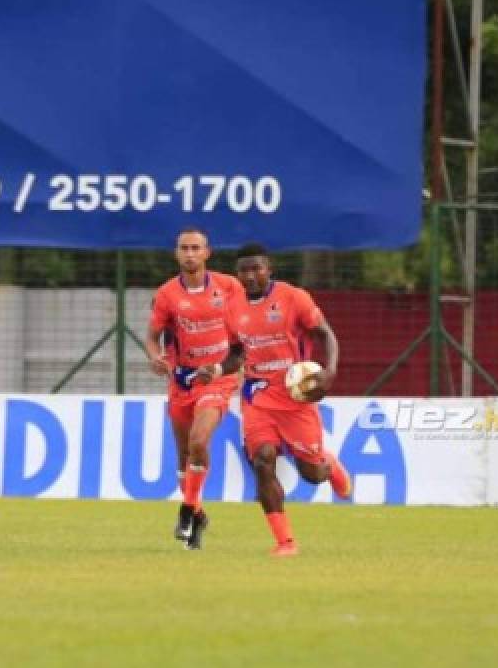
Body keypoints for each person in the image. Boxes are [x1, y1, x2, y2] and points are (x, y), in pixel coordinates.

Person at [206, 243, 351, 557]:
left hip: (296, 399)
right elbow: (236, 354)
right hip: (257, 398)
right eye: (244, 270)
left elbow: (325, 333)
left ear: (269, 269)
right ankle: (285, 542)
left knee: (311, 476)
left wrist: (329, 371)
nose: (251, 275)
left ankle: (329, 465)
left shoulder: (293, 298)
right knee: (262, 461)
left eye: (257, 268)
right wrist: (217, 369)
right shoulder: (231, 307)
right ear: (238, 274)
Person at [145, 228, 241, 550]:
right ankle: (197, 515)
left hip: (217, 378)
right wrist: (154, 357)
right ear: (177, 254)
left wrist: (228, 364)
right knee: (184, 456)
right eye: (184, 248)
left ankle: (186, 511)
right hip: (182, 379)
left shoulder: (228, 287)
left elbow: (245, 330)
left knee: (200, 441)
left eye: (195, 248)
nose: (189, 253)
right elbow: (152, 336)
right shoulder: (167, 294)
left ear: (207, 253)